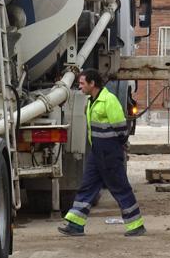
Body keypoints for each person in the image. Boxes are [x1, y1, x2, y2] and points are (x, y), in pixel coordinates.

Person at [59, 69, 145, 237]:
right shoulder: (93, 100)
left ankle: (136, 224)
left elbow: (121, 128)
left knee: (119, 187)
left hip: (110, 152)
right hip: (97, 152)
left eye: (83, 83)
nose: (80, 86)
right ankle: (75, 224)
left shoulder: (109, 100)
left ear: (92, 84)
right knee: (87, 186)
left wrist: (118, 146)